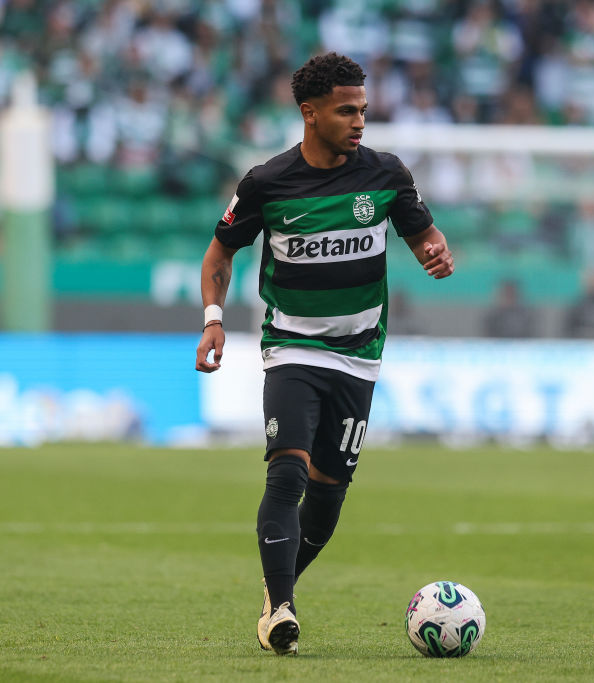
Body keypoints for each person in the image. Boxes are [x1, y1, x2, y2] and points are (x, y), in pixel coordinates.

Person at [194, 53, 454, 656]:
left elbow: (425, 236)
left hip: (360, 355)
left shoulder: (387, 174)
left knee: (328, 498)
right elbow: (219, 254)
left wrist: (436, 252)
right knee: (287, 470)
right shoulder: (267, 183)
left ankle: (274, 589)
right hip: (293, 346)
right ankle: (282, 611)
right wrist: (213, 320)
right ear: (309, 113)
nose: (359, 121)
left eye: (363, 110)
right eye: (346, 111)